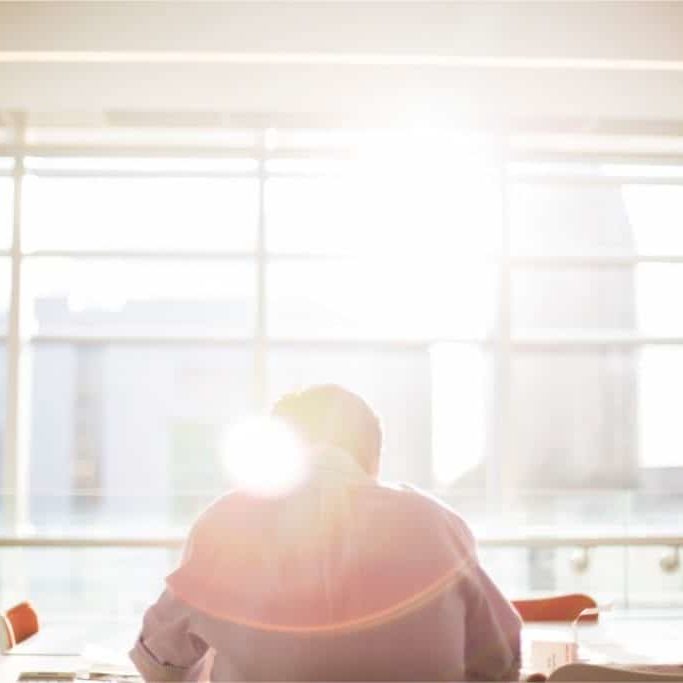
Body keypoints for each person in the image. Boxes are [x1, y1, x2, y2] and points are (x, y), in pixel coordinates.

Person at [130, 384, 521, 681]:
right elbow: (502, 658)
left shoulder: (227, 522)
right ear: (373, 458)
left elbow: (159, 661)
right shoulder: (438, 523)